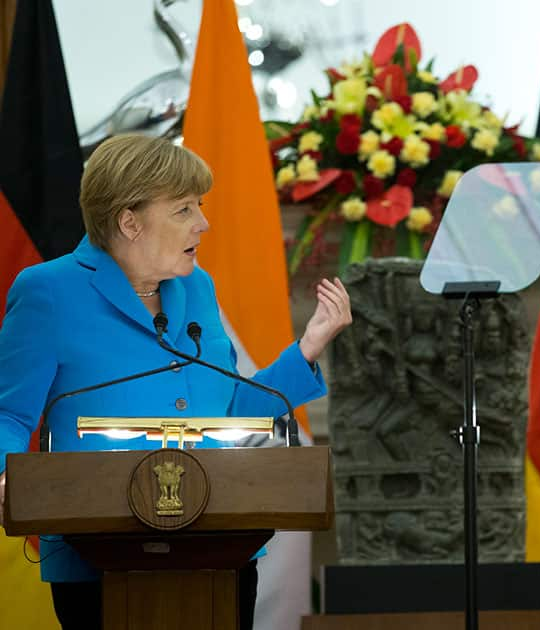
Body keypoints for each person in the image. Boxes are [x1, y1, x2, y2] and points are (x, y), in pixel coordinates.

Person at [0, 134, 353, 630]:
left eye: (199, 206)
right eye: (184, 209)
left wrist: (308, 348)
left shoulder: (197, 285)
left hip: (220, 547)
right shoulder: (48, 292)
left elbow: (230, 412)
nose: (203, 223)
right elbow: (10, 413)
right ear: (130, 222)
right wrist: (3, 477)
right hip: (95, 557)